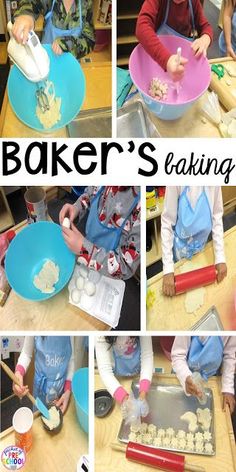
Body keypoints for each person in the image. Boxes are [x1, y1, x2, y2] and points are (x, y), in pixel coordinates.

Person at [59, 186, 140, 280]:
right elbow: (91, 193)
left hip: (108, 272)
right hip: (86, 244)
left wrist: (85, 250)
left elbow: (125, 266)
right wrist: (77, 207)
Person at [161, 186, 227, 296]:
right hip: (180, 249)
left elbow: (217, 216)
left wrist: (220, 257)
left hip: (202, 248)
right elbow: (167, 222)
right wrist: (168, 268)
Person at [136, 0, 213, 81]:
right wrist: (167, 60)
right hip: (157, 62)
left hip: (183, 63)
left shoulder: (194, 2)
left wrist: (206, 37)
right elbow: (142, 27)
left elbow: (206, 27)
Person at [171, 336, 236, 414]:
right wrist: (185, 376)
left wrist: (228, 388)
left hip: (211, 377)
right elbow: (178, 356)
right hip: (184, 375)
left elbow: (229, 356)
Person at [12, 0, 95, 59]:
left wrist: (69, 43)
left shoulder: (86, 3)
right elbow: (31, 2)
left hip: (71, 64)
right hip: (46, 59)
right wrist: (26, 15)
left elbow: (90, 40)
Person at [13, 336, 74, 414]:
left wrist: (67, 390)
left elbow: (71, 359)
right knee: (38, 417)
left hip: (61, 392)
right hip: (40, 390)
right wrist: (19, 372)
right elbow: (26, 353)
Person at [95, 336, 153, 416]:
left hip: (139, 373)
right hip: (117, 379)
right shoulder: (101, 335)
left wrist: (142, 395)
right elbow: (105, 370)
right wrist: (124, 398)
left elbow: (147, 356)